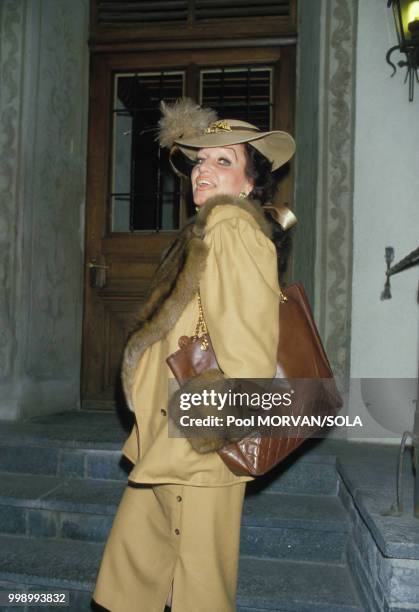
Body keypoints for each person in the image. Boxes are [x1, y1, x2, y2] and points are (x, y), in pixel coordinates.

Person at [92, 98, 296, 612]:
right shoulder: (208, 231)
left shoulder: (231, 228)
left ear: (250, 183)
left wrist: (209, 427)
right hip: (172, 437)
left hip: (198, 441)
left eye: (223, 160)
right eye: (200, 160)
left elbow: (249, 358)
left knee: (197, 589)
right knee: (136, 573)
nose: (202, 169)